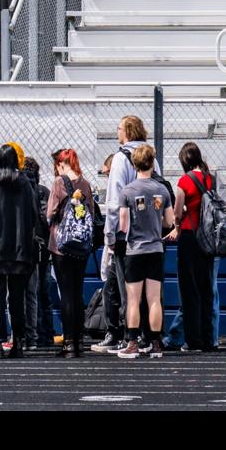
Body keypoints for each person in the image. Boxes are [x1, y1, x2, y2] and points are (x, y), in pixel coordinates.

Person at [92, 116, 154, 352]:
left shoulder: (120, 159)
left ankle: (130, 337)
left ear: (126, 131)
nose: (117, 132)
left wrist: (110, 235)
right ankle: (150, 337)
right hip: (149, 232)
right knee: (149, 290)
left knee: (126, 287)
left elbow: (115, 199)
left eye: (118, 128)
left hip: (125, 234)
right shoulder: (151, 157)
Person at [0, 145, 41, 358]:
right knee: (17, 298)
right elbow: (34, 215)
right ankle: (18, 341)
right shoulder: (25, 183)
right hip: (20, 248)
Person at [116, 145, 175, 359]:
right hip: (156, 249)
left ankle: (132, 342)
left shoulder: (128, 191)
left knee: (133, 299)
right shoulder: (162, 190)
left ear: (134, 164)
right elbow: (169, 221)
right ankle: (156, 343)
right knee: (154, 299)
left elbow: (123, 225)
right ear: (152, 163)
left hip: (135, 250)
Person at [47, 148, 98, 358]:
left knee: (66, 293)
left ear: (61, 164)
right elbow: (92, 213)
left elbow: (50, 213)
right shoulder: (85, 184)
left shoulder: (59, 182)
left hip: (61, 245)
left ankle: (68, 343)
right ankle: (78, 342)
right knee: (77, 292)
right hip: (81, 246)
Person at [172, 143, 220, 354]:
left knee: (189, 289)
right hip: (208, 237)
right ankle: (209, 339)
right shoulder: (210, 178)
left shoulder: (185, 180)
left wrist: (176, 226)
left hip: (190, 235)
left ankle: (193, 340)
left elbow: (177, 211)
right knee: (206, 288)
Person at [21, 154, 59, 351]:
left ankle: (33, 333)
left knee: (29, 293)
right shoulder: (43, 191)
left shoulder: (22, 191)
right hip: (43, 248)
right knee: (43, 293)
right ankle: (46, 333)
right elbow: (47, 219)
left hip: (28, 248)